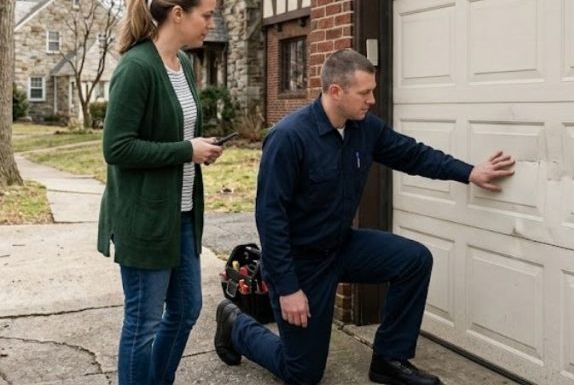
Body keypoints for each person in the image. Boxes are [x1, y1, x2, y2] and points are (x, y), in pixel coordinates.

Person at [214, 48, 515, 385]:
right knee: (303, 373)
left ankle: (389, 359)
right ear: (335, 92)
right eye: (365, 92)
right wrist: (287, 288)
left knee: (414, 260)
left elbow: (413, 154)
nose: (372, 100)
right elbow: (271, 218)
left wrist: (470, 172)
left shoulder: (363, 128)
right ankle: (236, 325)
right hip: (302, 264)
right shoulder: (289, 138)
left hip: (341, 246)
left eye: (372, 90)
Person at [97, 0, 226, 385]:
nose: (211, 23)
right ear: (176, 13)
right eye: (205, 15)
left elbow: (174, 130)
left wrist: (197, 146)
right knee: (143, 322)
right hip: (145, 218)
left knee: (187, 309)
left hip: (182, 214)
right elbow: (116, 148)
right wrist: (185, 151)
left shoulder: (183, 64)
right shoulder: (136, 67)